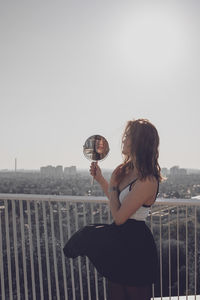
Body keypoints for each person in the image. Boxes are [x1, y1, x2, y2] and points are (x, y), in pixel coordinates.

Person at [63, 119, 162, 300]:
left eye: (128, 136)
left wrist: (113, 185)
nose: (123, 140)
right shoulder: (127, 170)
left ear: (139, 142)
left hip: (136, 247)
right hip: (119, 243)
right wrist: (102, 180)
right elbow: (118, 203)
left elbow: (119, 218)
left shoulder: (147, 180)